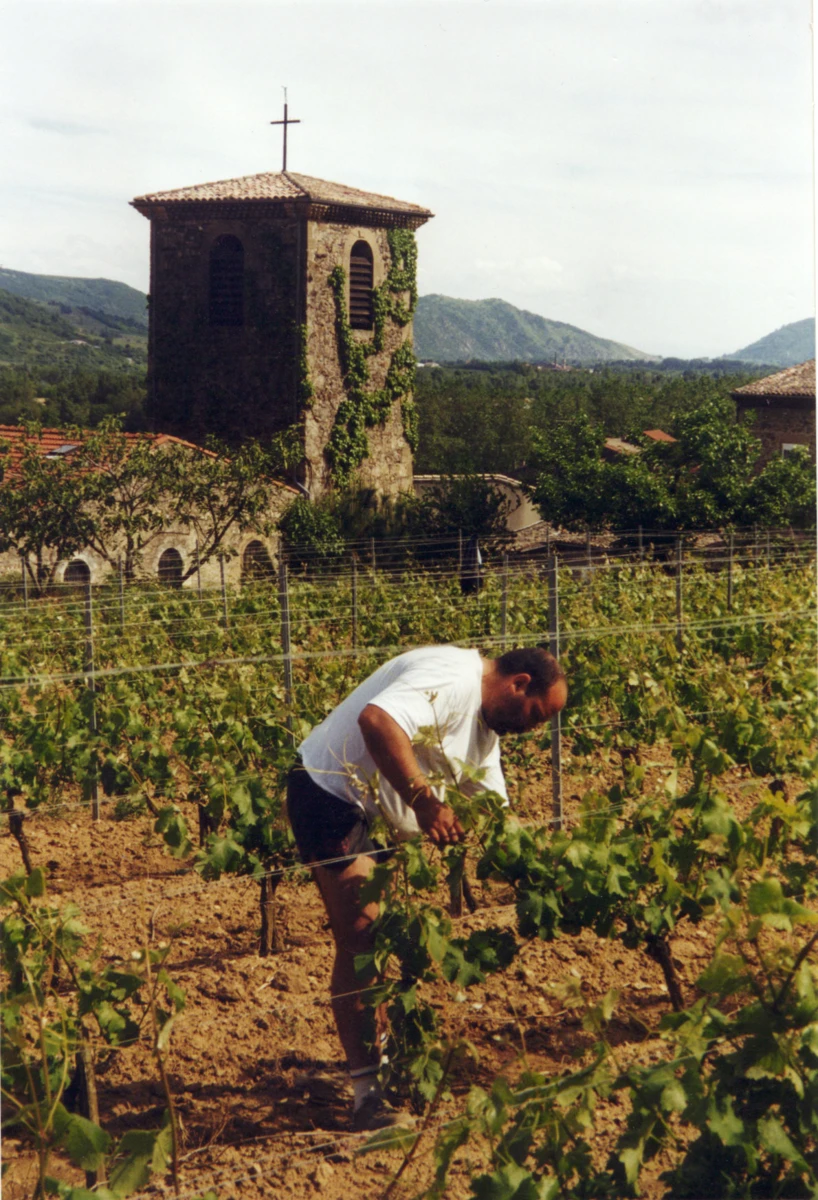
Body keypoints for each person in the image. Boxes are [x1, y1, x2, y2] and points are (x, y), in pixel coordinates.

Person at [286, 644, 567, 1131]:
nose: (533, 729)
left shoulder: (482, 733)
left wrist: (541, 876)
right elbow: (377, 720)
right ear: (519, 684)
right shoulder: (453, 677)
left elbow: (496, 817)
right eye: (536, 715)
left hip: (374, 812)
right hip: (329, 791)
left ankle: (380, 1067)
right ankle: (368, 1098)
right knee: (362, 936)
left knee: (381, 936)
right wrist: (425, 802)